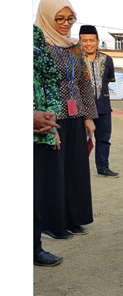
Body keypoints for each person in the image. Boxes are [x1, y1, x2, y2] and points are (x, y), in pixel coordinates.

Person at [35, 0, 98, 239]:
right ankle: (52, 224)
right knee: (53, 170)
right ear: (47, 17)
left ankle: (75, 218)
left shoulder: (74, 47)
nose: (65, 23)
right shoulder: (38, 45)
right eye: (59, 18)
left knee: (76, 168)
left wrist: (88, 116)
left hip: (75, 115)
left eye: (70, 18)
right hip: (49, 116)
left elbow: (84, 82)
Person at [33, 24, 63, 266]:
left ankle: (34, 247)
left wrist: (50, 117)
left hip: (39, 132)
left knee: (34, 193)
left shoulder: (35, 38)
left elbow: (51, 81)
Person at [79, 25, 119, 177]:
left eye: (91, 40)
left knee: (104, 139)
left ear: (97, 41)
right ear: (80, 41)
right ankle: (79, 170)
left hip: (103, 106)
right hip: (81, 108)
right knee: (80, 141)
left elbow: (108, 80)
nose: (88, 44)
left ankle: (103, 168)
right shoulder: (75, 58)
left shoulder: (107, 59)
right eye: (84, 40)